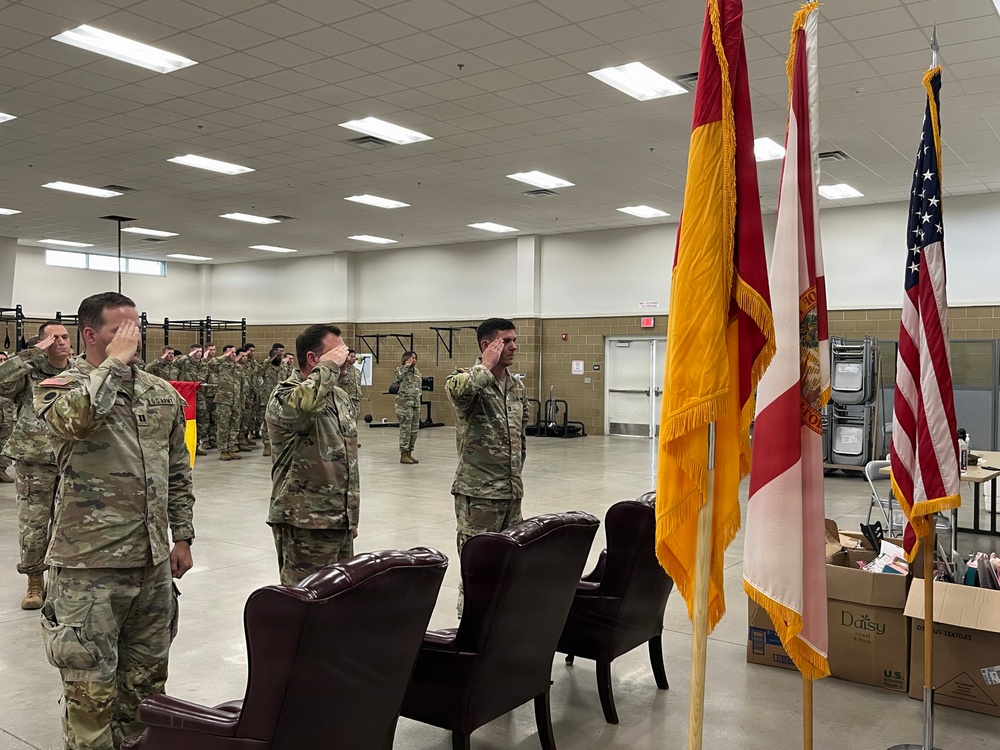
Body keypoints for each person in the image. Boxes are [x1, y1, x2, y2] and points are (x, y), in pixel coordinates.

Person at [35, 291, 195, 750]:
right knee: (90, 692)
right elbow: (74, 422)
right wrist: (113, 365)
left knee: (146, 687)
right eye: (120, 330)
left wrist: (182, 536)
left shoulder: (160, 392)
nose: (133, 338)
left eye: (136, 329)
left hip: (152, 564)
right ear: (90, 334)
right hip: (89, 566)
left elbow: (178, 470)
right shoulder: (60, 387)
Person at [265, 324, 359, 586]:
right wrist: (328, 367)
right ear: (313, 358)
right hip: (304, 521)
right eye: (337, 353)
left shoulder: (339, 396)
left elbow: (347, 459)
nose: (345, 358)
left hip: (338, 519)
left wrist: (350, 515)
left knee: (342, 597)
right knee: (306, 600)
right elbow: (303, 408)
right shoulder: (285, 393)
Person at [446, 318, 528, 616]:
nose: (514, 346)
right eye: (506, 341)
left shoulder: (516, 386)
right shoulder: (465, 380)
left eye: (514, 340)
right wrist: (485, 365)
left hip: (511, 493)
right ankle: (470, 626)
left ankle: (502, 625)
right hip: (479, 494)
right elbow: (459, 392)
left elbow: (521, 435)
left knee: (511, 565)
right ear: (487, 345)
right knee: (478, 568)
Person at [0, 321, 73, 609]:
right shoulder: (28, 372)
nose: (62, 342)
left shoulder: (79, 371)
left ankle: (64, 579)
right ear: (42, 342)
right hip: (34, 460)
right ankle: (34, 581)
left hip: (72, 457)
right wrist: (30, 354)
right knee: (34, 524)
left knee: (71, 523)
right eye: (54, 338)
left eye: (65, 337)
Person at [209, 345, 242, 460]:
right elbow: (210, 363)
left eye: (234, 352)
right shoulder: (220, 366)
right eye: (230, 352)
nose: (233, 354)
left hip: (236, 401)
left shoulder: (238, 367)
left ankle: (231, 448)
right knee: (223, 427)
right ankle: (223, 450)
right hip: (223, 401)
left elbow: (241, 384)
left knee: (235, 426)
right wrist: (224, 356)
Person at [394, 350, 422, 464]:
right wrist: (406, 366)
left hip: (415, 404)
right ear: (406, 359)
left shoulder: (417, 372)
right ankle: (403, 454)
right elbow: (397, 378)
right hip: (404, 405)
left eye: (415, 358)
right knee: (406, 430)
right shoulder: (400, 370)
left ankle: (410, 452)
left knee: (414, 430)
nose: (414, 360)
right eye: (411, 358)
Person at [258, 347, 285, 457]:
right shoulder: (266, 367)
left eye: (280, 356)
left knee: (281, 422)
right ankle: (267, 445)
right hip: (267, 398)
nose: (279, 358)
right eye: (277, 356)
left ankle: (279, 445)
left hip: (281, 398)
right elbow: (257, 372)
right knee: (266, 422)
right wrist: (268, 360)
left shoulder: (284, 367)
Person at [343, 348, 363, 446]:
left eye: (355, 357)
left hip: (356, 399)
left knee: (355, 420)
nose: (353, 358)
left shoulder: (357, 371)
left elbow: (358, 385)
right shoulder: (342, 370)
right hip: (346, 399)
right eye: (351, 356)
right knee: (346, 421)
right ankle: (345, 441)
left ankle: (353, 441)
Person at [0, 351, 14, 483]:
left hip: (6, 415)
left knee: (5, 442)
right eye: (0, 360)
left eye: (5, 360)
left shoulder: (10, 377)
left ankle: (1, 469)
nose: (3, 362)